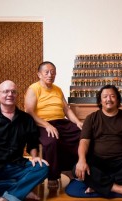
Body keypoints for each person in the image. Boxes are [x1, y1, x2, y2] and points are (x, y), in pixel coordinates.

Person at [73, 84, 122, 201]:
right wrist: (82, 160)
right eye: (105, 96)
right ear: (100, 100)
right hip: (98, 160)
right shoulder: (91, 118)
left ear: (117, 99)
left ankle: (98, 184)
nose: (108, 99)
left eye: (112, 96)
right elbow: (84, 142)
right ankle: (118, 188)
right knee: (77, 168)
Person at [24, 61, 83, 189]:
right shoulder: (33, 88)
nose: (50, 75)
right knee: (51, 141)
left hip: (61, 122)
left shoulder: (58, 89)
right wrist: (47, 125)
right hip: (41, 123)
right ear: (39, 74)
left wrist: (78, 122)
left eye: (53, 72)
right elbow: (29, 111)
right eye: (46, 72)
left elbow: (66, 109)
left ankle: (71, 169)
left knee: (81, 136)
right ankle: (52, 176)